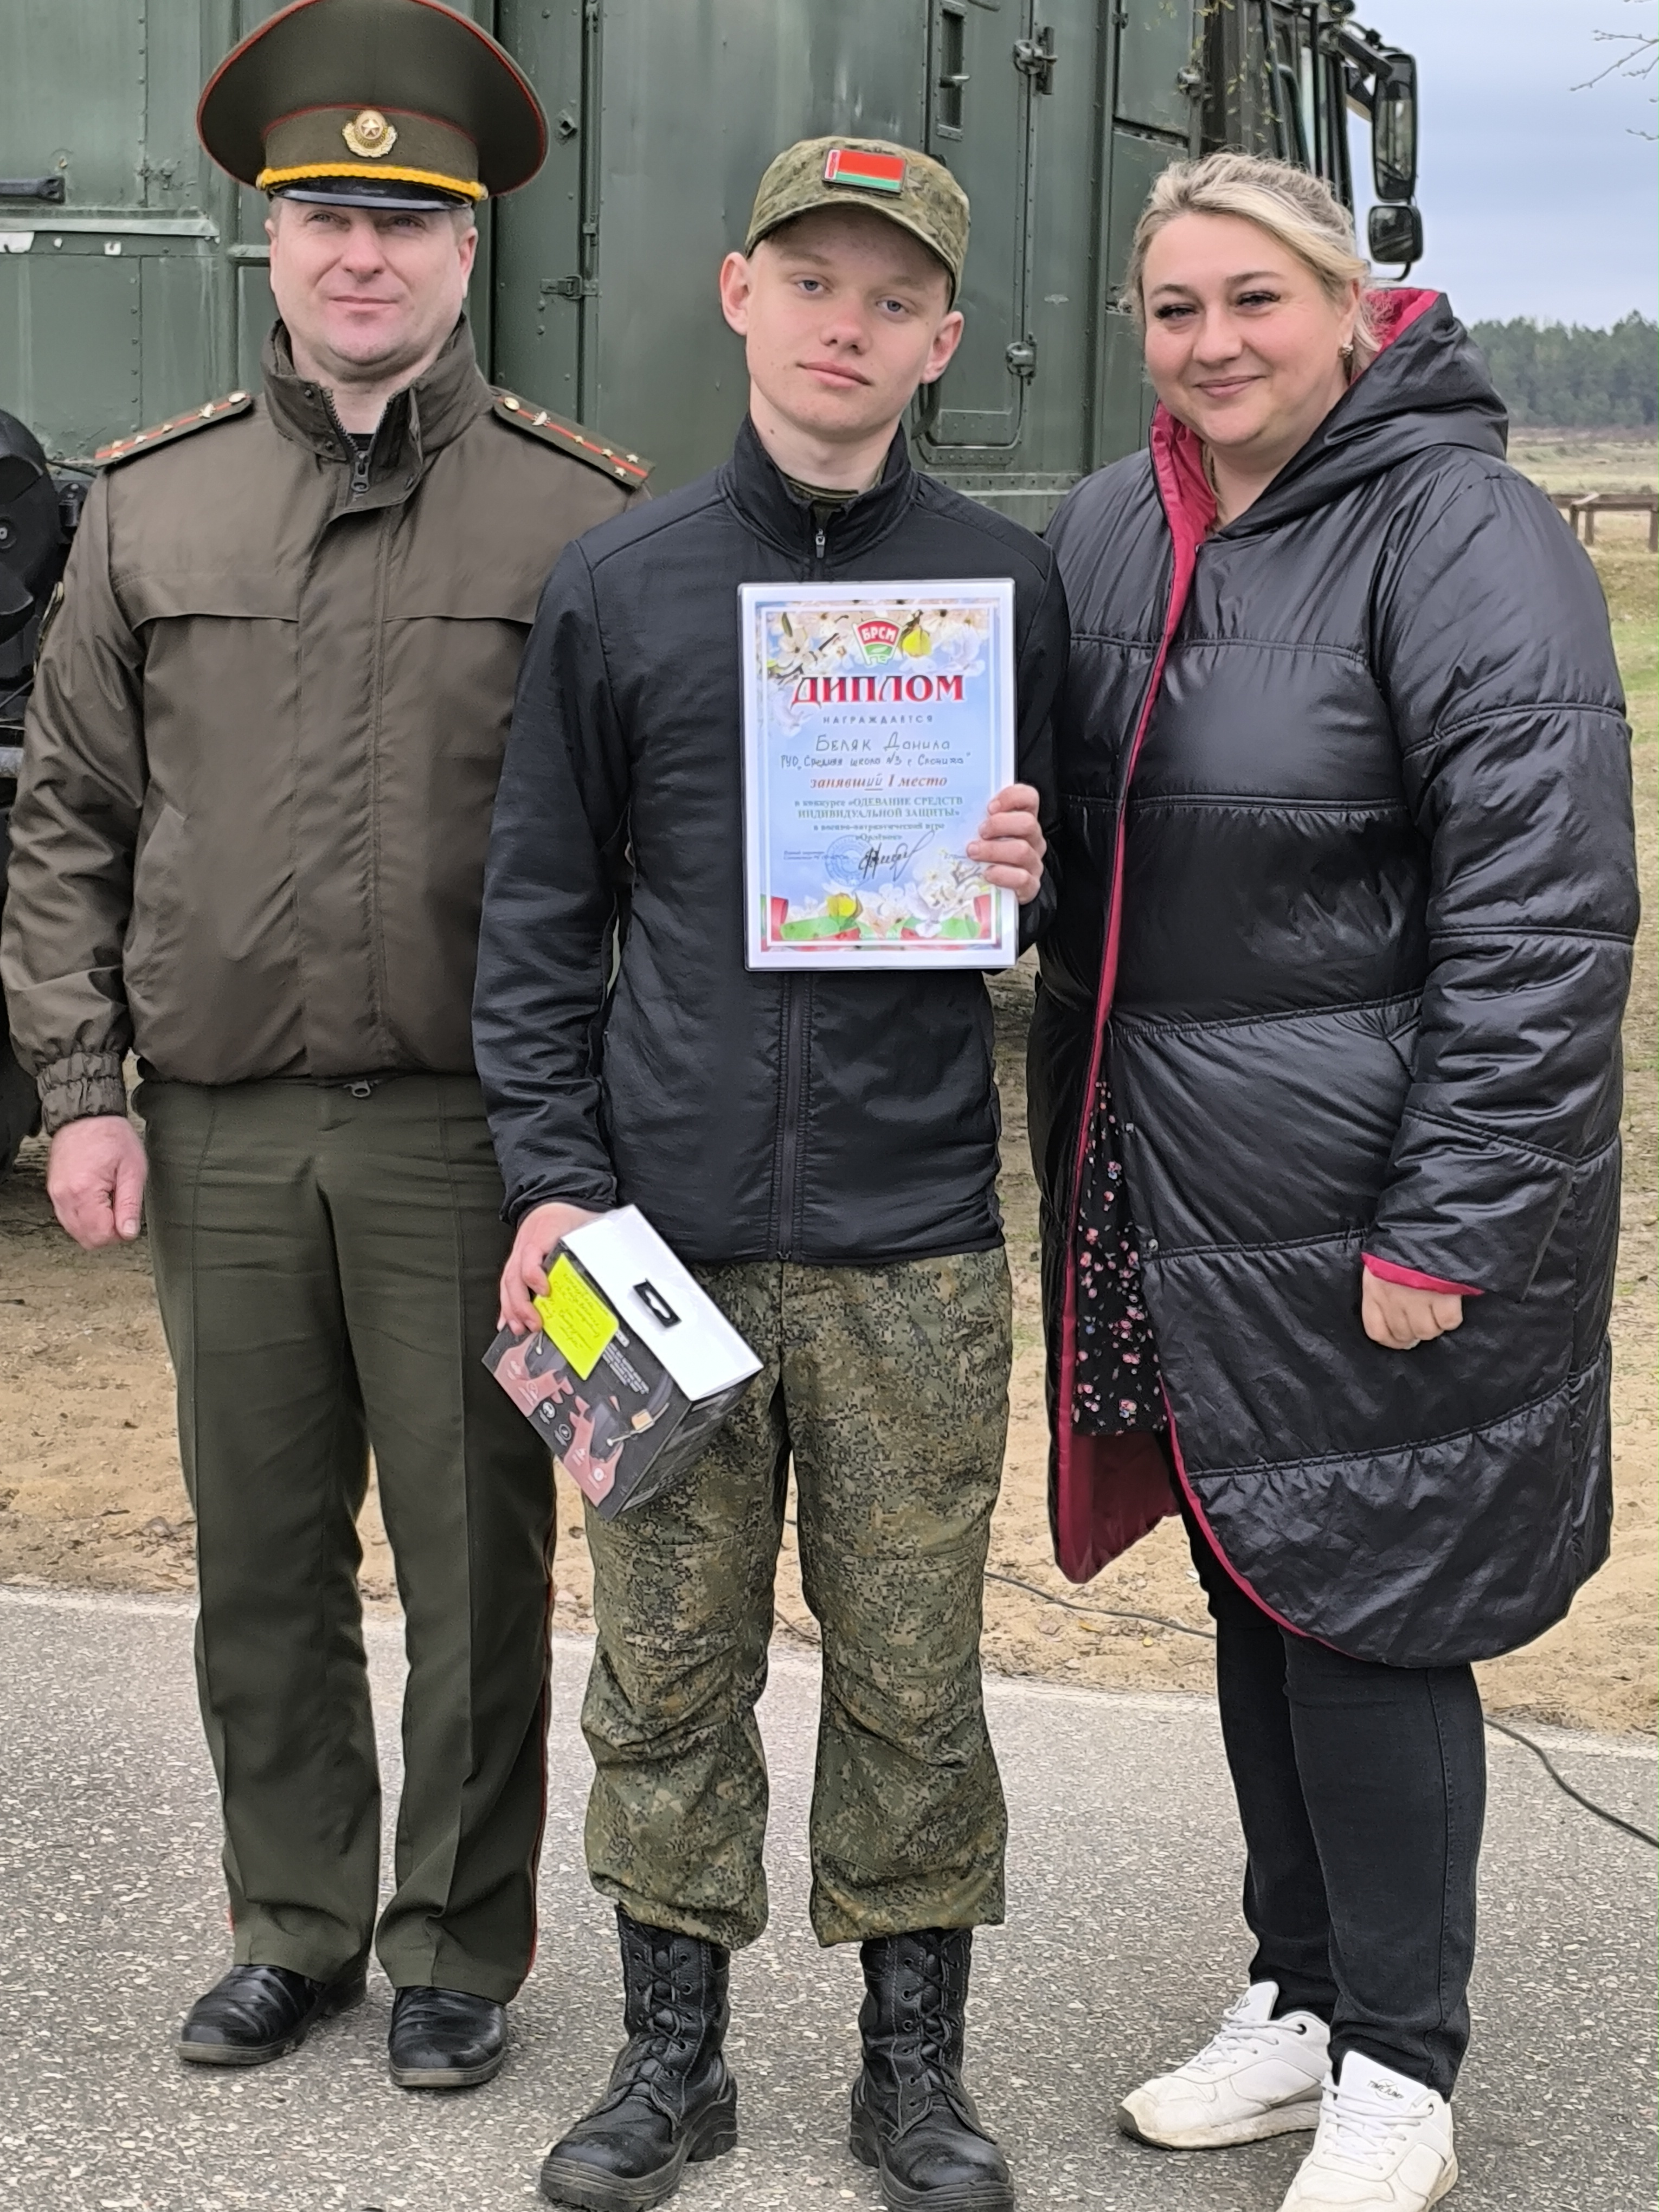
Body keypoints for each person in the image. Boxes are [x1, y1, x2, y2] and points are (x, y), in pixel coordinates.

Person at [0, 0, 649, 2092]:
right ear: (267, 242)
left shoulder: (576, 520)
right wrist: (81, 1094)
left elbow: (663, 837)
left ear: (468, 248)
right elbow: (69, 821)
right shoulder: (149, 506)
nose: (361, 254)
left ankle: (455, 1941)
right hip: (221, 1130)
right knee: (261, 1559)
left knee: (478, 1564)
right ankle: (292, 1923)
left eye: (405, 220)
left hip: (476, 1139)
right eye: (322, 217)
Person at [1029, 152, 1636, 2212]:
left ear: (1351, 310)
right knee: (1255, 1574)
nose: (1210, 345)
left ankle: (1401, 2058)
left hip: (1371, 1188)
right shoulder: (1112, 522)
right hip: (1169, 1172)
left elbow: (1541, 919)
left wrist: (1451, 1221)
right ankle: (1298, 1993)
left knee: (1371, 1609)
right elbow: (1076, 833)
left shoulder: (1458, 528)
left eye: (1253, 301)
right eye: (1173, 308)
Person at [474, 136, 1065, 2212]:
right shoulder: (622, 582)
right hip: (661, 1241)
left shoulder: (1004, 587)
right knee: (663, 1671)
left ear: (941, 341)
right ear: (739, 294)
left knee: (913, 1676)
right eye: (811, 280)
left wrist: (1032, 870)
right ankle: (673, 2062)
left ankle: (913, 2073)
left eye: (891, 298)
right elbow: (540, 912)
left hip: (912, 1242)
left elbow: (1080, 887)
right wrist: (554, 1178)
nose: (846, 324)